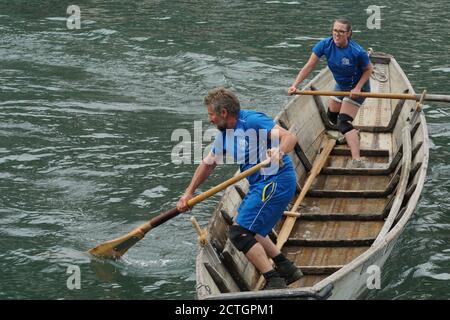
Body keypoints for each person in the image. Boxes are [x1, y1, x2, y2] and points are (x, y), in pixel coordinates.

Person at [177, 87, 303, 290]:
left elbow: (289, 137)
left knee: (240, 233)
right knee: (251, 228)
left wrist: (279, 152)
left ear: (223, 113)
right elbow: (208, 164)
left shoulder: (252, 121)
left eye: (211, 114)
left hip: (276, 180)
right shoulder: (224, 135)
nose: (210, 119)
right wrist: (189, 193)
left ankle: (274, 279)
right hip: (259, 185)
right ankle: (286, 267)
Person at [288, 18, 374, 168]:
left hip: (358, 88)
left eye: (341, 31)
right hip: (341, 85)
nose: (337, 34)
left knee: (343, 121)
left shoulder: (357, 51)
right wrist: (295, 85)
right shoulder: (324, 45)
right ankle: (352, 134)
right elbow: (309, 66)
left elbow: (369, 69)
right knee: (331, 116)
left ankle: (357, 160)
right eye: (335, 30)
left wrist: (358, 88)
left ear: (348, 34)